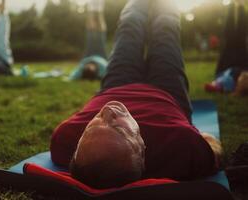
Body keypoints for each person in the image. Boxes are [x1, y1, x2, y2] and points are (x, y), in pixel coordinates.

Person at [51, 0, 222, 189]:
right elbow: (213, 147)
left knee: (129, 24)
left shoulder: (64, 139)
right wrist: (204, 138)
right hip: (167, 92)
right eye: (118, 129)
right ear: (142, 152)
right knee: (166, 27)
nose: (107, 111)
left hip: (115, 84)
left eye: (89, 129)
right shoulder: (182, 145)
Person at [205, 0, 248, 95]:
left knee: (230, 36)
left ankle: (234, 5)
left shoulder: (226, 84)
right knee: (240, 36)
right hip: (241, 65)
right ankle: (238, 5)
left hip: (226, 68)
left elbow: (214, 86)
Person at [69, 0, 108, 80]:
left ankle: (91, 10)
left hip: (89, 55)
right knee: (100, 34)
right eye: (90, 67)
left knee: (90, 34)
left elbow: (72, 77)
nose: (88, 65)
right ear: (95, 71)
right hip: (101, 55)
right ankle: (99, 11)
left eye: (86, 67)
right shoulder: (103, 69)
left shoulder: (81, 69)